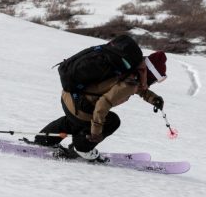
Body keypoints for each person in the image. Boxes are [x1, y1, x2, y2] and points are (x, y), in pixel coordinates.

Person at [35, 36, 167, 162]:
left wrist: (153, 98)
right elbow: (103, 104)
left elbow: (136, 88)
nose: (152, 83)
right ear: (150, 74)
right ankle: (82, 148)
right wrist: (96, 133)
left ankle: (42, 140)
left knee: (74, 121)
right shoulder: (130, 82)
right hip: (79, 106)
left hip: (69, 95)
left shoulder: (129, 69)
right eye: (154, 80)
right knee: (112, 121)